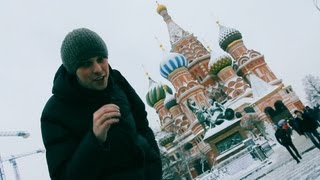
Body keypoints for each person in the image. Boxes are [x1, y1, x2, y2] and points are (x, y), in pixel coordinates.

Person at [40, 28, 162, 180]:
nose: (98, 69)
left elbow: (143, 127)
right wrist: (94, 140)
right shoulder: (54, 114)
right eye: (86, 64)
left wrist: (154, 168)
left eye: (100, 59)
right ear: (73, 71)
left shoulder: (117, 81)